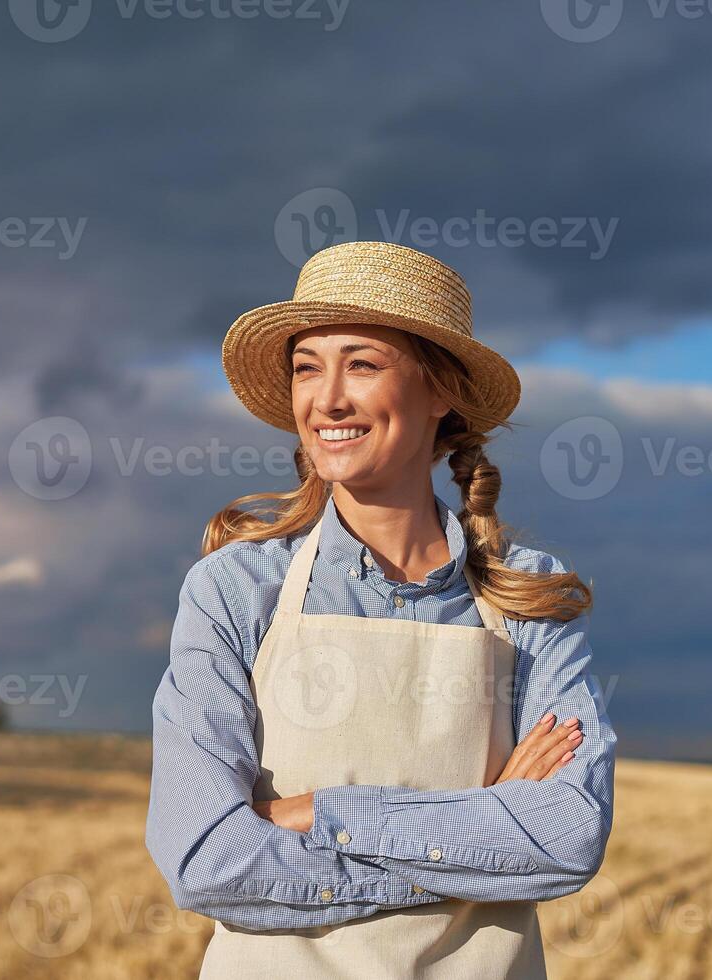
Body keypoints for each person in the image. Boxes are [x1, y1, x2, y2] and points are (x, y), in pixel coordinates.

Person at [146, 240, 617, 979]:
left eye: (362, 364)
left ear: (441, 391)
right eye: (307, 368)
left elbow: (564, 840)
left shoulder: (530, 595)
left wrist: (316, 813)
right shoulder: (233, 591)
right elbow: (205, 858)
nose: (326, 399)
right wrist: (474, 836)